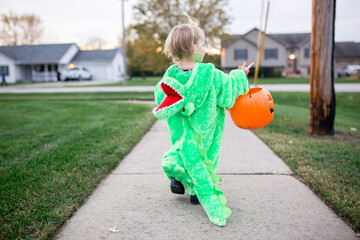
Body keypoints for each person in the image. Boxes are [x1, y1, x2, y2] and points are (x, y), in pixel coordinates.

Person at [153, 20, 253, 227]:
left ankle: (177, 175)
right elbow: (229, 91)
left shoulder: (170, 75)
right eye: (203, 43)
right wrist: (240, 75)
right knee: (206, 158)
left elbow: (162, 97)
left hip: (183, 133)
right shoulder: (211, 74)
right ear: (193, 47)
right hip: (205, 131)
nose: (205, 48)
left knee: (181, 153)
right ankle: (197, 194)